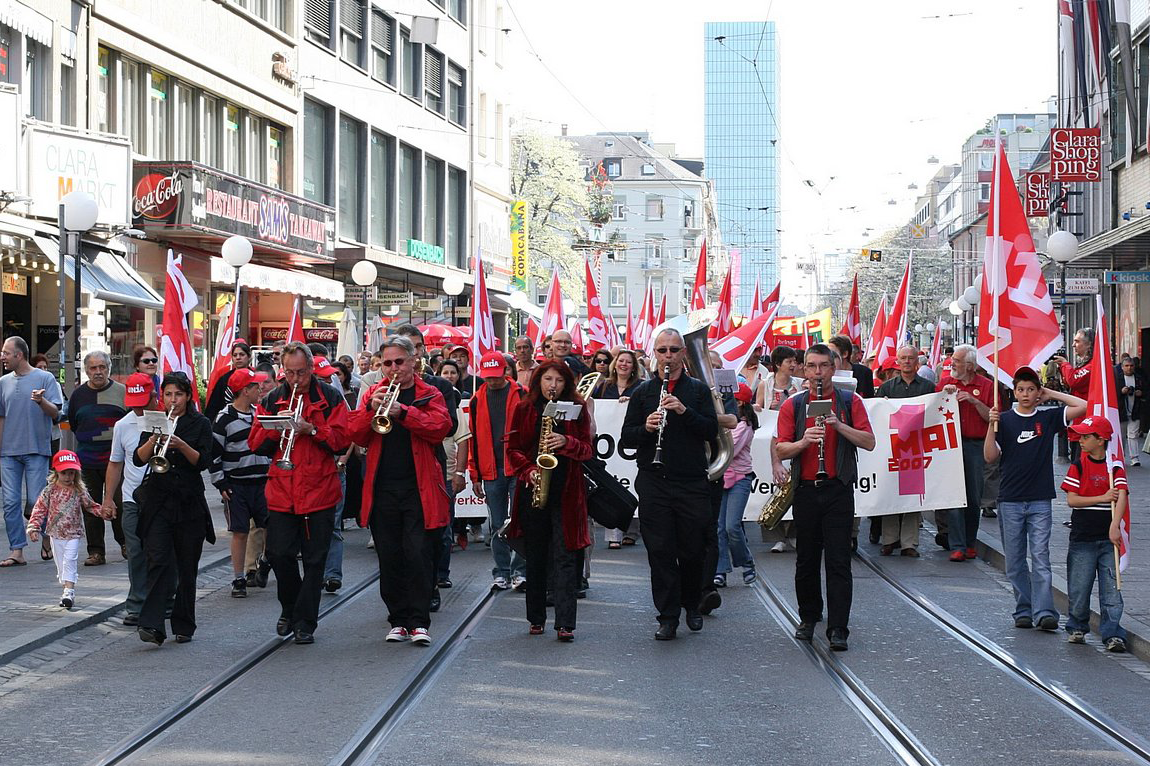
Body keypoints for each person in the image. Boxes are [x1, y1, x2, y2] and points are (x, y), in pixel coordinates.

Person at [349, 336, 452, 646]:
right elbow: (353, 433)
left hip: (418, 489)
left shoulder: (429, 393)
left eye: (399, 362)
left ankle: (419, 621)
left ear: (412, 362)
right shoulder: (372, 393)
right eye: (387, 363)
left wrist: (403, 413)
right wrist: (371, 408)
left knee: (419, 554)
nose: (393, 369)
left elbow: (440, 427)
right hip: (383, 489)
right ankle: (398, 619)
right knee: (390, 556)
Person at [775, 344, 875, 651]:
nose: (818, 372)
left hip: (837, 489)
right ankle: (809, 616)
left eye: (823, 366)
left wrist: (839, 425)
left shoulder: (849, 401)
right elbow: (781, 449)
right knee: (806, 560)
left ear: (834, 369)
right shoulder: (793, 405)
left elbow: (869, 442)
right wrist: (805, 441)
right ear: (804, 370)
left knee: (838, 560)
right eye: (812, 366)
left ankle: (838, 627)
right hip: (805, 490)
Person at [249, 342, 350, 645]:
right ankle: (290, 607)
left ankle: (305, 622)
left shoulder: (330, 396)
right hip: (283, 488)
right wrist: (275, 428)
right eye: (289, 373)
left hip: (319, 488)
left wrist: (313, 430)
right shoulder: (272, 398)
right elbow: (255, 443)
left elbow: (344, 439)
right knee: (279, 554)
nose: (295, 380)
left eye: (301, 373)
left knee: (315, 559)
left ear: (310, 369)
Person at [621, 328, 718, 640]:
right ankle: (667, 616)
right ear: (655, 353)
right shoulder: (643, 393)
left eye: (674, 350)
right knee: (660, 550)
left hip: (690, 481)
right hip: (654, 480)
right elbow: (627, 438)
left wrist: (684, 411)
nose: (668, 356)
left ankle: (691, 603)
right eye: (662, 350)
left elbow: (710, 431)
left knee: (692, 550)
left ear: (682, 354)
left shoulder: (698, 391)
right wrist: (646, 428)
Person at [984, 366, 1087, 631]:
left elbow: (1083, 405)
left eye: (1031, 389)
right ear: (1014, 393)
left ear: (1037, 392)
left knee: (1040, 556)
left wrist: (1051, 393)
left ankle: (1044, 612)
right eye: (1021, 390)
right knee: (1015, 560)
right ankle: (1023, 609)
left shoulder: (1048, 417)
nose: (1026, 394)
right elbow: (989, 457)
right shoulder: (1004, 420)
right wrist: (990, 426)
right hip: (1010, 499)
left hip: (1040, 498)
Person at [504, 361, 593, 641]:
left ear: (566, 384)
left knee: (566, 556)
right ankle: (536, 617)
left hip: (567, 491)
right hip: (534, 488)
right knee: (536, 556)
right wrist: (528, 470)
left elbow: (587, 450)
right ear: (538, 381)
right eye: (547, 379)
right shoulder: (524, 408)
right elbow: (513, 448)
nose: (552, 385)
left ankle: (565, 623)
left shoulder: (576, 411)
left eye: (558, 380)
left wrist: (566, 442)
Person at [132, 372, 215, 646]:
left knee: (187, 565)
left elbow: (203, 461)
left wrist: (181, 444)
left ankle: (184, 623)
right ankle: (152, 624)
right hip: (159, 502)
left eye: (178, 394)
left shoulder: (200, 423)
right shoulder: (156, 420)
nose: (172, 400)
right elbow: (138, 459)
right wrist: (152, 441)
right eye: (168, 394)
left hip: (189, 502)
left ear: (188, 396)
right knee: (158, 560)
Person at [1060, 417, 1129, 652]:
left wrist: (1115, 525)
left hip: (1107, 537)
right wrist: (1101, 497)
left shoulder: (1115, 467)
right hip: (1083, 537)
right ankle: (1077, 625)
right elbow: (1072, 500)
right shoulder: (1078, 466)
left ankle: (1112, 632)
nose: (1081, 440)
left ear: (1101, 440)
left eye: (1086, 437)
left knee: (1111, 589)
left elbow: (1121, 496)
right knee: (1079, 586)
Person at [0, 336, 63, 568]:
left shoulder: (45, 377)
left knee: (37, 500)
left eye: (6, 353)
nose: (2, 357)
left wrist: (41, 402)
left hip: (36, 449)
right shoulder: (3, 382)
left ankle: (46, 536)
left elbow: (56, 413)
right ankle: (17, 550)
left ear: (19, 355)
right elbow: (2, 417)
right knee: (9, 502)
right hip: (9, 452)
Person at [465, 352, 527, 590]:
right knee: (497, 524)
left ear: (506, 372)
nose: (492, 381)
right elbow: (474, 440)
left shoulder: (521, 394)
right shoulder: (476, 399)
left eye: (496, 376)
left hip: (517, 467)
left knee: (519, 521)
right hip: (491, 470)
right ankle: (501, 571)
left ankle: (519, 571)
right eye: (488, 377)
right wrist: (476, 474)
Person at [210, 367, 271, 599]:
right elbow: (214, 454)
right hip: (237, 484)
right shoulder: (224, 418)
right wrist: (221, 483)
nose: (261, 389)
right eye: (256, 386)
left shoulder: (261, 413)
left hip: (264, 481)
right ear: (245, 391)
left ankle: (265, 562)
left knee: (270, 527)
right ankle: (238, 578)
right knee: (240, 531)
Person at [103, 373, 158, 625]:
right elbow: (115, 464)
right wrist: (108, 499)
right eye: (133, 400)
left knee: (159, 552)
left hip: (161, 498)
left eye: (142, 400)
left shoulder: (165, 419)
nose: (137, 406)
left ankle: (165, 599)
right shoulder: (123, 425)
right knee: (135, 551)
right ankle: (136, 604)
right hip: (132, 498)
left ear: (154, 396)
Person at [64, 350, 127, 566]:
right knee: (90, 507)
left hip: (115, 461)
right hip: (87, 460)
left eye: (102, 367)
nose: (98, 372)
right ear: (86, 370)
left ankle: (126, 544)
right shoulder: (78, 395)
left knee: (120, 504)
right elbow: (74, 423)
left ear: (109, 368)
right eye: (93, 368)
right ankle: (96, 551)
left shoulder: (121, 392)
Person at [875, 344, 935, 557]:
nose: (907, 361)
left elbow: (935, 414)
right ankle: (889, 540)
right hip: (892, 448)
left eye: (911, 358)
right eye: (903, 358)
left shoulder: (928, 387)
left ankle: (909, 543)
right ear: (897, 362)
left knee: (912, 495)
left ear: (917, 361)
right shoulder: (887, 388)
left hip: (916, 447)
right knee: (890, 493)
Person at [938, 344, 995, 561]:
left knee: (973, 497)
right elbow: (933, 412)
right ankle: (958, 545)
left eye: (958, 361)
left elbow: (992, 416)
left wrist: (973, 400)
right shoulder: (945, 384)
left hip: (975, 446)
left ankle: (970, 542)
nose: (952, 363)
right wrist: (944, 397)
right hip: (950, 446)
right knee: (954, 496)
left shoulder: (987, 386)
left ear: (970, 366)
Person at [26, 451, 101, 608]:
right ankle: (65, 587)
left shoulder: (79, 490)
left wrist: (104, 512)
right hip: (55, 533)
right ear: (56, 472)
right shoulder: (50, 490)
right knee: (61, 564)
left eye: (71, 473)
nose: (68, 477)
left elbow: (90, 505)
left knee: (70, 559)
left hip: (74, 533)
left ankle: (69, 591)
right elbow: (39, 509)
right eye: (64, 473)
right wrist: (34, 527)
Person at [714, 384, 758, 587]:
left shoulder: (744, 425)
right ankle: (720, 570)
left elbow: (728, 446)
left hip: (740, 478)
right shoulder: (731, 421)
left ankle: (747, 562)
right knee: (719, 528)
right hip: (722, 476)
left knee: (732, 526)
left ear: (739, 403)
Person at [764, 345, 805, 553]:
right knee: (776, 487)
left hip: (794, 438)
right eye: (789, 361)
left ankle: (795, 533)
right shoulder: (765, 384)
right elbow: (759, 413)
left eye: (794, 361)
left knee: (796, 487)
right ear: (778, 364)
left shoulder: (799, 384)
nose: (793, 365)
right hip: (772, 440)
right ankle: (777, 535)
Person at [204, 341, 253, 421]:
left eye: (242, 354)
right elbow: (213, 405)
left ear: (249, 357)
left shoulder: (255, 377)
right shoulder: (224, 379)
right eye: (235, 355)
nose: (238, 358)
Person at [1116, 357, 1146, 466]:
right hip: (1122, 411)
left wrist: (1141, 393)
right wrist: (1121, 392)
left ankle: (1135, 458)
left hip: (1135, 411)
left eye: (1131, 366)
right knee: (1122, 435)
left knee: (1133, 435)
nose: (1129, 368)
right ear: (1122, 367)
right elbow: (1112, 395)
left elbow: (1146, 391)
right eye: (1127, 366)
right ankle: (1121, 457)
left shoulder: (1139, 378)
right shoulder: (1117, 379)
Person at [829, 335, 875, 399]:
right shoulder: (827, 373)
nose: (829, 356)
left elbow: (869, 399)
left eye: (833, 353)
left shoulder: (864, 372)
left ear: (845, 354)